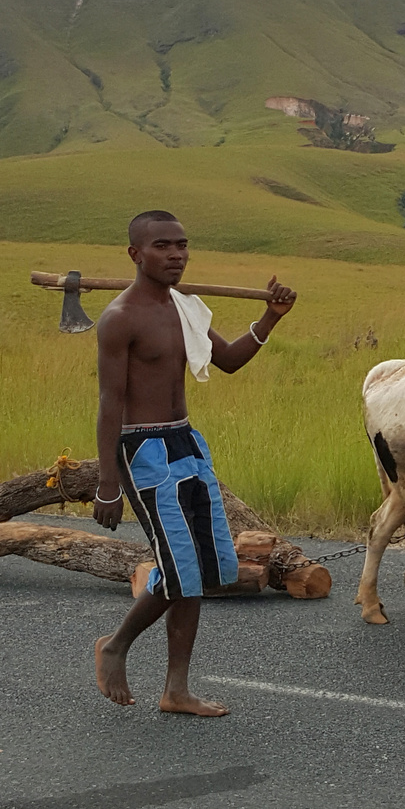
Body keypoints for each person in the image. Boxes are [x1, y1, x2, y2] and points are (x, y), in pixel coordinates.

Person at [91, 210, 297, 716]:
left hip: (186, 443)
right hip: (144, 453)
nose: (176, 255)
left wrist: (270, 318)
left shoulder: (185, 307)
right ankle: (115, 645)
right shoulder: (120, 319)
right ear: (135, 254)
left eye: (182, 245)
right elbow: (109, 404)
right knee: (178, 571)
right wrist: (107, 482)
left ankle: (176, 690)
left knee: (204, 569)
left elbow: (227, 360)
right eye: (163, 246)